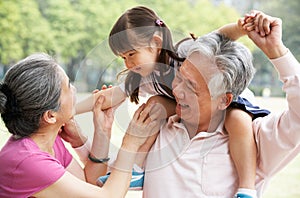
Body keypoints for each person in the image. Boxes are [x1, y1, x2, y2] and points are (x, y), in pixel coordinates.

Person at [76, 6, 269, 194]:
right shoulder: (145, 76)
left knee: (237, 119)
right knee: (153, 106)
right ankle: (138, 168)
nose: (128, 63)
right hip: (187, 106)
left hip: (222, 99)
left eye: (132, 54)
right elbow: (107, 98)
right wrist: (70, 110)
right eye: (123, 57)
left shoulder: (184, 51)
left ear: (156, 42)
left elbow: (219, 36)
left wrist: (241, 29)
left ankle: (247, 188)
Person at [142, 11, 300, 198]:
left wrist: (276, 51)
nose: (177, 91)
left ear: (224, 100)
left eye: (191, 86)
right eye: (180, 77)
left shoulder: (256, 141)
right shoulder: (159, 124)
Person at [0, 53, 160, 197]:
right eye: (68, 86)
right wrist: (130, 143)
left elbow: (89, 183)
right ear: (50, 116)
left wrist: (102, 131)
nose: (74, 89)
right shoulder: (29, 161)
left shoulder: (46, 140)